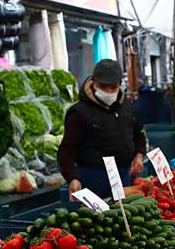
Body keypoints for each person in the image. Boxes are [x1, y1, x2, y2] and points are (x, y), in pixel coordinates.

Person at [57, 59, 145, 199]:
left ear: (119, 85)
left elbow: (139, 135)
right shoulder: (79, 112)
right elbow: (66, 151)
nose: (109, 91)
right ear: (94, 82)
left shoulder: (128, 107)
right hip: (93, 178)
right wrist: (72, 178)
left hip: (124, 176)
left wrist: (139, 155)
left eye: (113, 87)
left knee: (126, 217)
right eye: (103, 86)